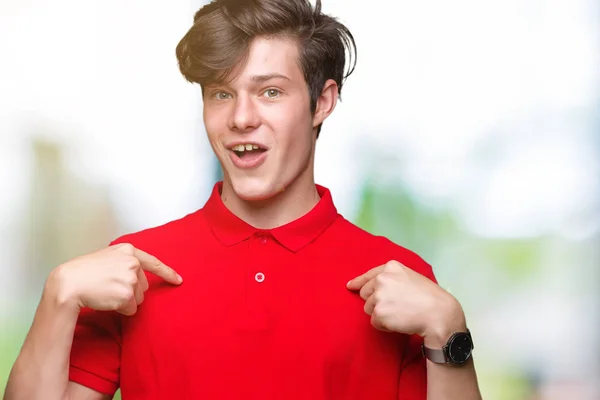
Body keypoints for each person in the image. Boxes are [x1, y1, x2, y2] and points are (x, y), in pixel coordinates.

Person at [4, 0, 482, 399]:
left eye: (270, 91)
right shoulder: (135, 268)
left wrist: (448, 327)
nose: (240, 118)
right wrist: (58, 294)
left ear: (323, 102)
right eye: (220, 94)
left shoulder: (399, 276)